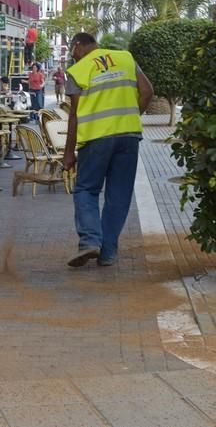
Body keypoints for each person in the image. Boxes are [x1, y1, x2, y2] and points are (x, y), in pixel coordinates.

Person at [62, 32, 154, 267]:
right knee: (119, 196)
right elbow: (147, 92)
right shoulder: (125, 58)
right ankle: (108, 252)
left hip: (96, 138)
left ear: (78, 46)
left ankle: (90, 241)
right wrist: (131, 116)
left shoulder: (79, 70)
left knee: (85, 189)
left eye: (73, 50)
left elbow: (74, 114)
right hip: (129, 137)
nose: (73, 56)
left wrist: (68, 152)